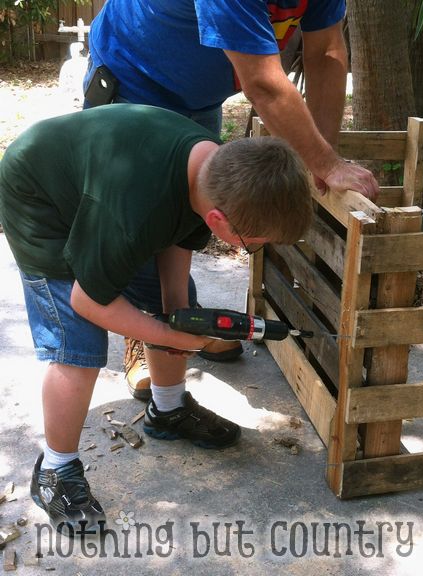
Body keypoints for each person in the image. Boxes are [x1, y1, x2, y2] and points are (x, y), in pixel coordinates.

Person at [0, 103, 314, 532]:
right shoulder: (133, 210)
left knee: (175, 307)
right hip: (39, 198)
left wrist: (175, 315)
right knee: (79, 347)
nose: (249, 248)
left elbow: (178, 236)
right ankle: (56, 469)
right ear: (220, 219)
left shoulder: (212, 173)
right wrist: (167, 334)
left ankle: (167, 410)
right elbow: (88, 302)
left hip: (106, 193)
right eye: (251, 243)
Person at [85, 0, 380, 401]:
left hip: (196, 97)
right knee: (137, 216)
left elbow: (327, 52)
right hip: (134, 74)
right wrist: (325, 162)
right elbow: (261, 83)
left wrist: (322, 155)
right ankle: (142, 332)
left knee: (188, 209)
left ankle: (178, 316)